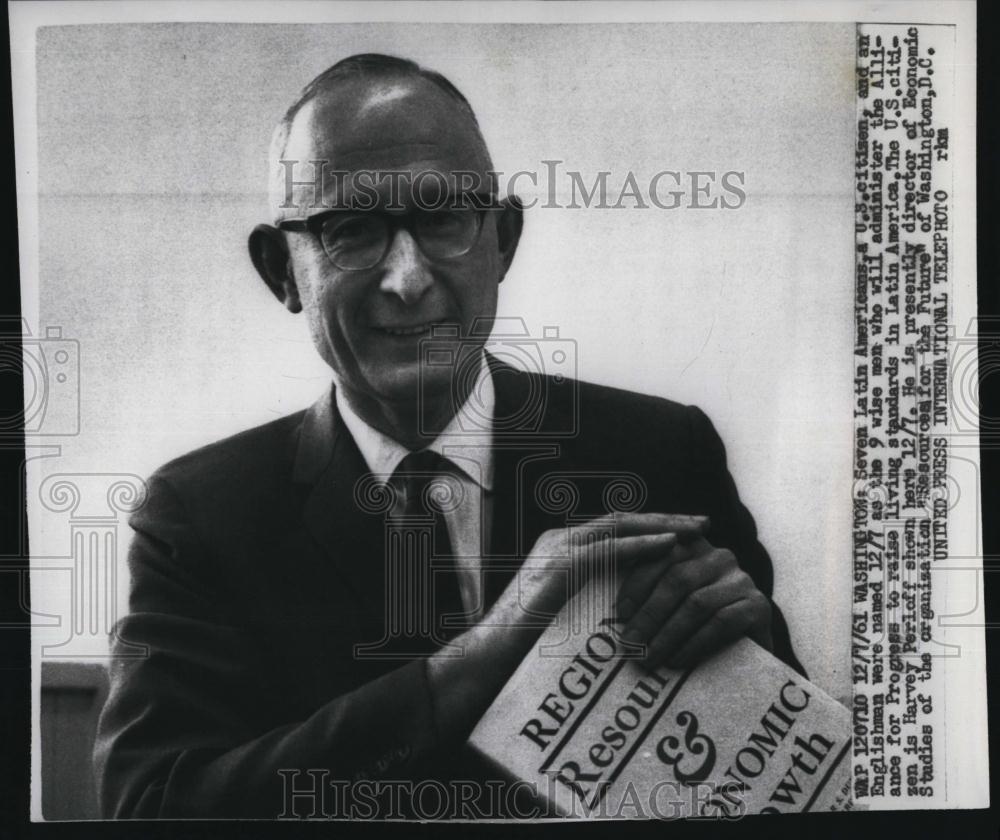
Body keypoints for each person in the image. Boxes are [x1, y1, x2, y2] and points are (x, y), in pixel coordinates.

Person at [94, 53, 803, 820]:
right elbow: (153, 809)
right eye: (351, 230)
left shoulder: (662, 453)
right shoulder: (198, 516)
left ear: (503, 240)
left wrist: (752, 646)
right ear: (282, 271)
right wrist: (480, 659)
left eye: (441, 219)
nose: (407, 277)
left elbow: (786, 776)